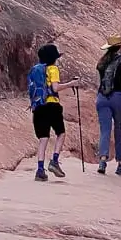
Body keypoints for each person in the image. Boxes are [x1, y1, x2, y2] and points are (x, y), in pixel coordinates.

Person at [28, 43, 79, 182]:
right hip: (52, 105)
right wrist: (70, 84)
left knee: (43, 138)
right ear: (54, 58)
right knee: (61, 133)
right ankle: (54, 161)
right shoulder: (53, 69)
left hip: (38, 107)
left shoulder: (36, 70)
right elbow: (55, 88)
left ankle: (40, 170)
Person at [95, 34, 121, 176]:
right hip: (117, 97)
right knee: (119, 129)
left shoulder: (101, 62)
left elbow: (99, 83)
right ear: (119, 46)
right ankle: (120, 163)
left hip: (102, 98)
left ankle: (102, 161)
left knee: (105, 130)